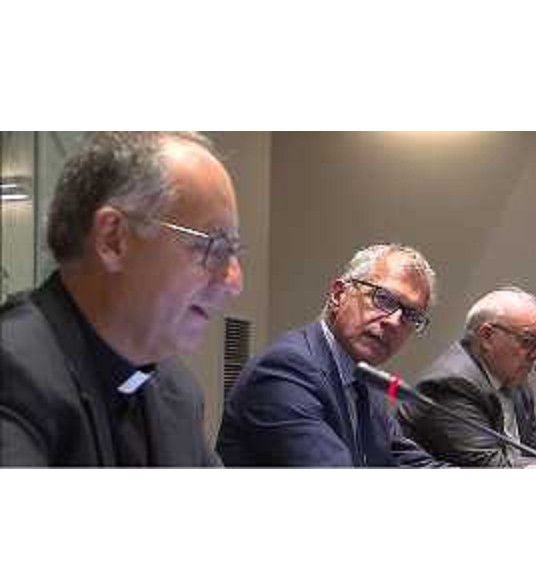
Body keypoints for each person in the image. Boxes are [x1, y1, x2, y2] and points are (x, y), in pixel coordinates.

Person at [0, 132, 243, 467]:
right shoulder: (14, 373)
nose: (234, 282)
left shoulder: (178, 393)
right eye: (212, 246)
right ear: (113, 239)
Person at [217, 243, 449, 467]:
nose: (394, 322)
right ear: (338, 295)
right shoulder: (285, 369)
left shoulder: (365, 381)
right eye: (383, 298)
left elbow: (405, 461)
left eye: (410, 315)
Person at [399, 287, 536, 467]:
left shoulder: (515, 380)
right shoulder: (450, 385)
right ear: (487, 336)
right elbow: (489, 469)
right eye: (527, 341)